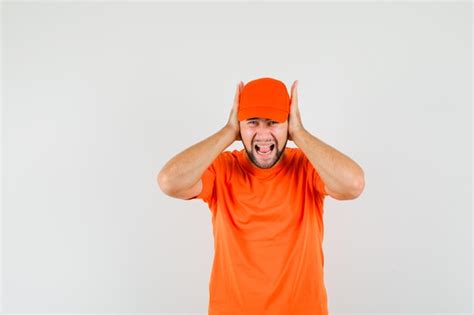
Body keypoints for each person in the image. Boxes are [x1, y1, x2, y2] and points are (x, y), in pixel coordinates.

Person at [157, 77, 365, 315]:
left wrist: (299, 132)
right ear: (239, 126)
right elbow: (169, 181)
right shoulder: (223, 168)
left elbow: (354, 184)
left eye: (273, 122)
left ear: (288, 123)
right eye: (253, 123)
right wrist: (227, 132)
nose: (263, 134)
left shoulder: (307, 167)